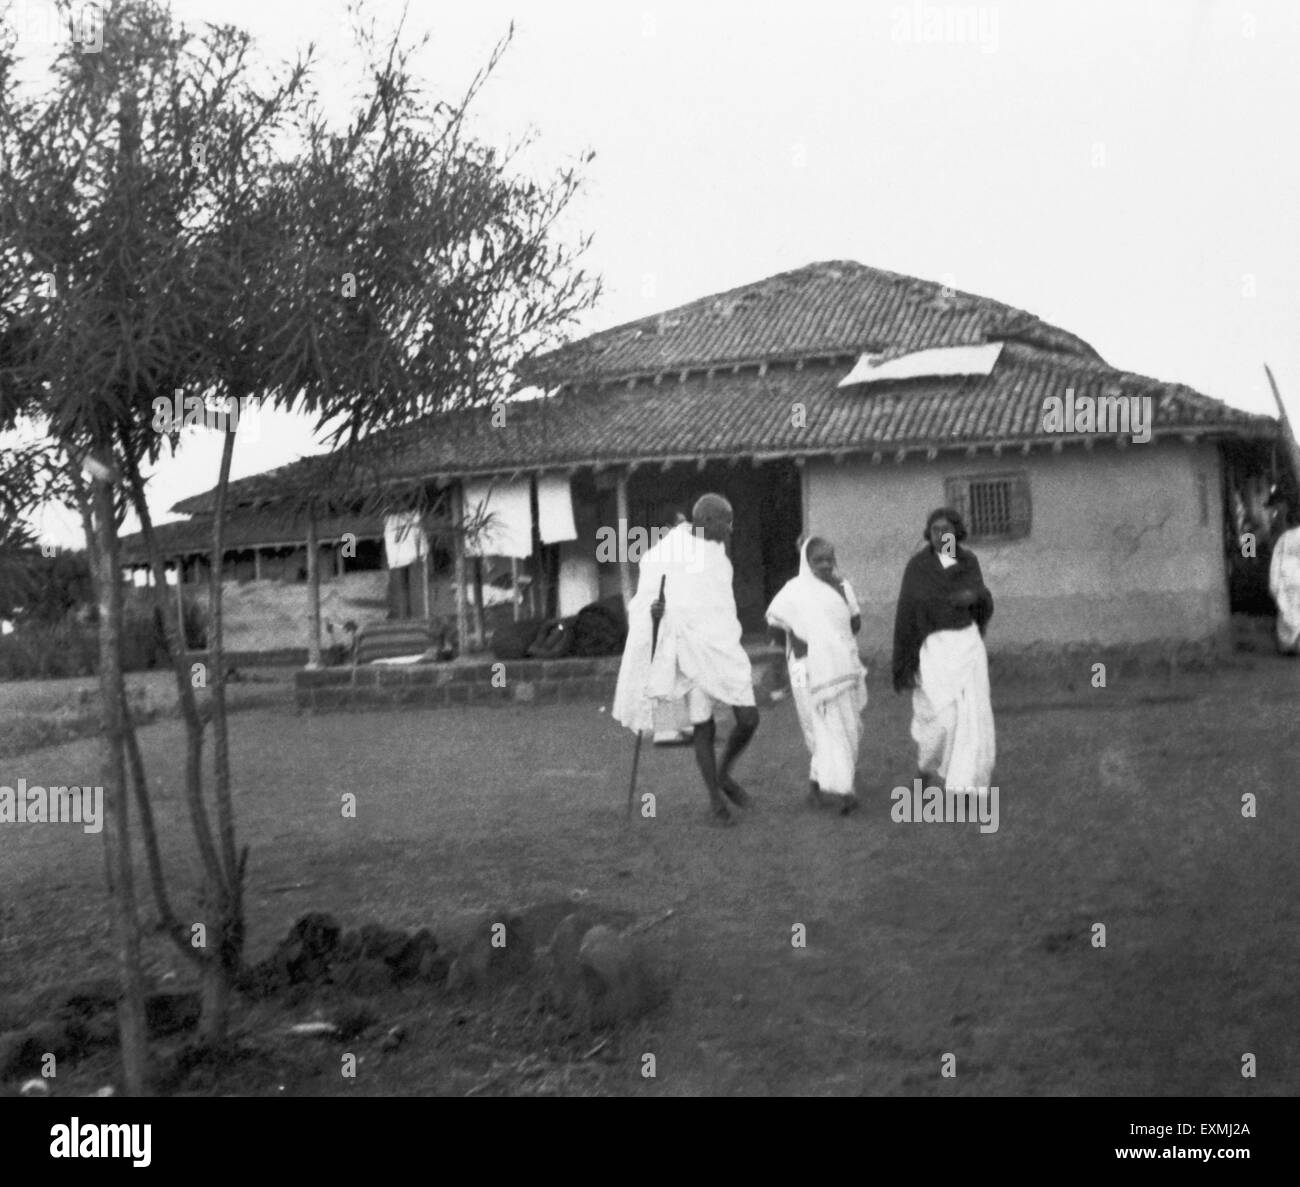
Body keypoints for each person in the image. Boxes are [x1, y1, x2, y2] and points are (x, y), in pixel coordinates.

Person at [612, 493, 758, 823]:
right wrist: (655, 612)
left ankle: (723, 775)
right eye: (726, 521)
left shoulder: (719, 551)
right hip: (688, 646)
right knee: (702, 724)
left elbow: (720, 600)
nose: (731, 528)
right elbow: (643, 603)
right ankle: (715, 801)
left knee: (749, 718)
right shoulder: (664, 554)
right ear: (706, 521)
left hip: (722, 644)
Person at [891, 507, 995, 795]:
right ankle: (924, 772)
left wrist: (973, 597)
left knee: (970, 720)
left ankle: (964, 786)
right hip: (933, 652)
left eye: (946, 529)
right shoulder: (918, 567)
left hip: (967, 646)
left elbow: (982, 598)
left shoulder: (967, 561)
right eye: (935, 530)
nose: (941, 535)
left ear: (956, 532)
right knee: (939, 721)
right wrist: (905, 663)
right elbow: (906, 613)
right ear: (928, 533)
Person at [766, 537, 867, 815]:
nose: (824, 565)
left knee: (847, 725)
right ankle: (844, 791)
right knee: (816, 726)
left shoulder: (842, 587)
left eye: (828, 559)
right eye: (817, 560)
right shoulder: (794, 591)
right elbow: (776, 627)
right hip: (802, 668)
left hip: (840, 665)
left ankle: (818, 786)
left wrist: (832, 635)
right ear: (806, 562)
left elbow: (854, 623)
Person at [1268, 498, 1300, 656]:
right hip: (1290, 578)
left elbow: (1276, 561)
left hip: (1287, 579)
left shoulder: (1284, 536)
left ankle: (1290, 644)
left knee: (1289, 613)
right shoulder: (1253, 524)